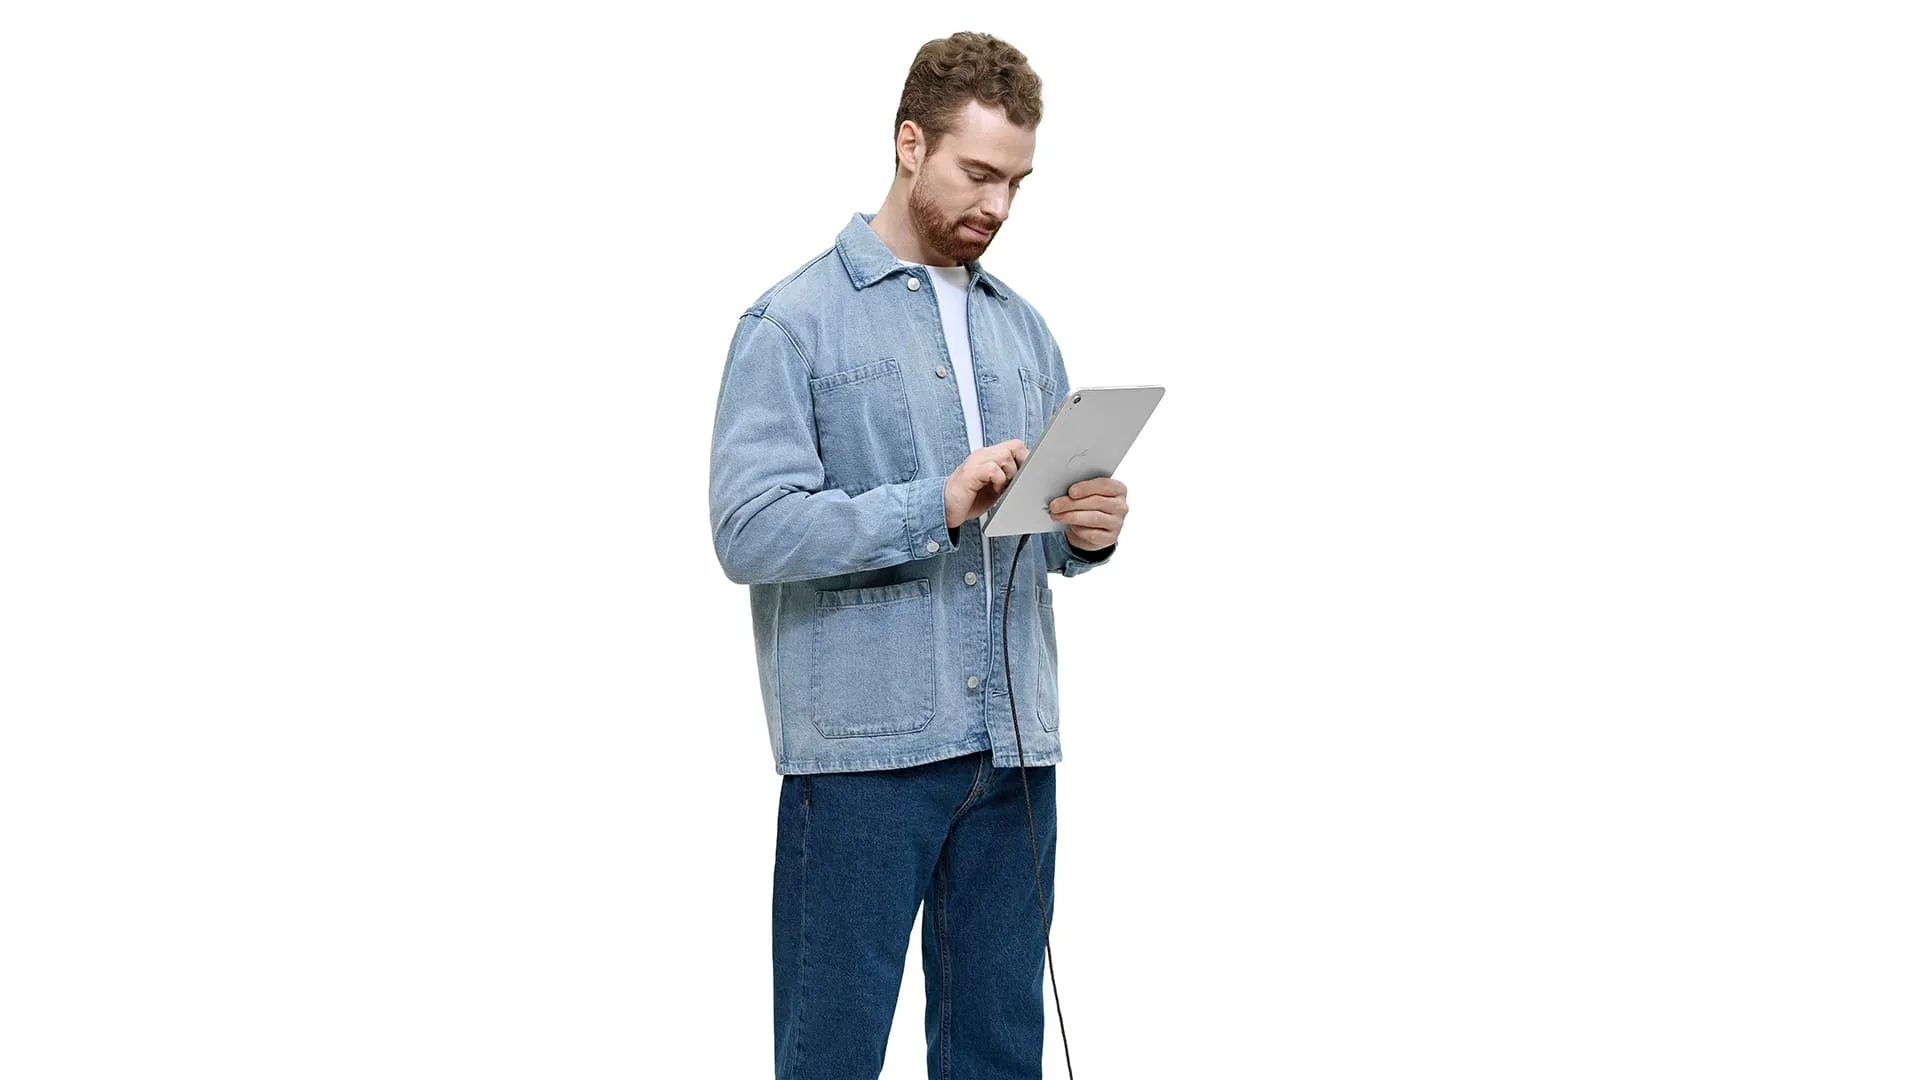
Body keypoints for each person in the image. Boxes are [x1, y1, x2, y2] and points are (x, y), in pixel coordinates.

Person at [707, 31, 1130, 1080]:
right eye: (977, 173)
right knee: (831, 1058)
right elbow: (748, 528)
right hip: (864, 762)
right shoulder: (792, 325)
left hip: (1014, 753)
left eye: (1015, 182)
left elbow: (1035, 538)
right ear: (909, 145)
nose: (998, 204)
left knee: (999, 1055)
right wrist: (930, 505)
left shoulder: (1025, 331)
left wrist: (1084, 533)